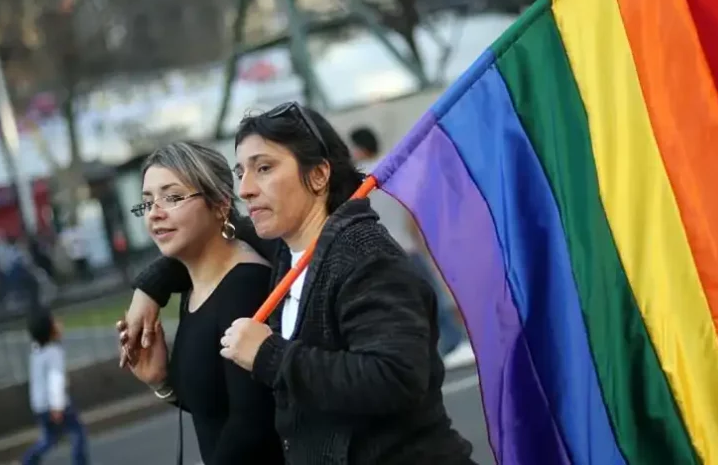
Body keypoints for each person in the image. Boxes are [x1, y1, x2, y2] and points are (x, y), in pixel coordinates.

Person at [120, 103, 475, 464]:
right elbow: (211, 237)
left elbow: (396, 378)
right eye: (241, 172)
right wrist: (150, 288)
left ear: (319, 175)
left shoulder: (365, 256)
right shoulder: (287, 255)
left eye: (264, 168)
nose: (245, 189)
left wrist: (270, 355)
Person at [118, 141, 284, 465]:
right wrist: (161, 381)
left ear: (220, 204)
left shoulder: (244, 286)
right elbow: (214, 407)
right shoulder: (194, 285)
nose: (155, 213)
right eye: (147, 203)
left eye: (173, 197)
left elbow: (253, 424)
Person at [348, 126, 476, 370]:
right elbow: (411, 211)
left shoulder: (359, 180)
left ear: (359, 148)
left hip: (381, 253)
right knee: (430, 297)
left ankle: (440, 347)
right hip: (407, 246)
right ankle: (453, 342)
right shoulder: (392, 169)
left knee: (401, 307)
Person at [22, 308, 89, 465]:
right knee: (77, 433)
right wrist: (57, 406)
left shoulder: (36, 352)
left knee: (49, 439)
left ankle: (29, 460)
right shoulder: (54, 353)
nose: (60, 324)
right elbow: (56, 380)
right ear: (51, 330)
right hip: (55, 405)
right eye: (55, 322)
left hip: (40, 405)